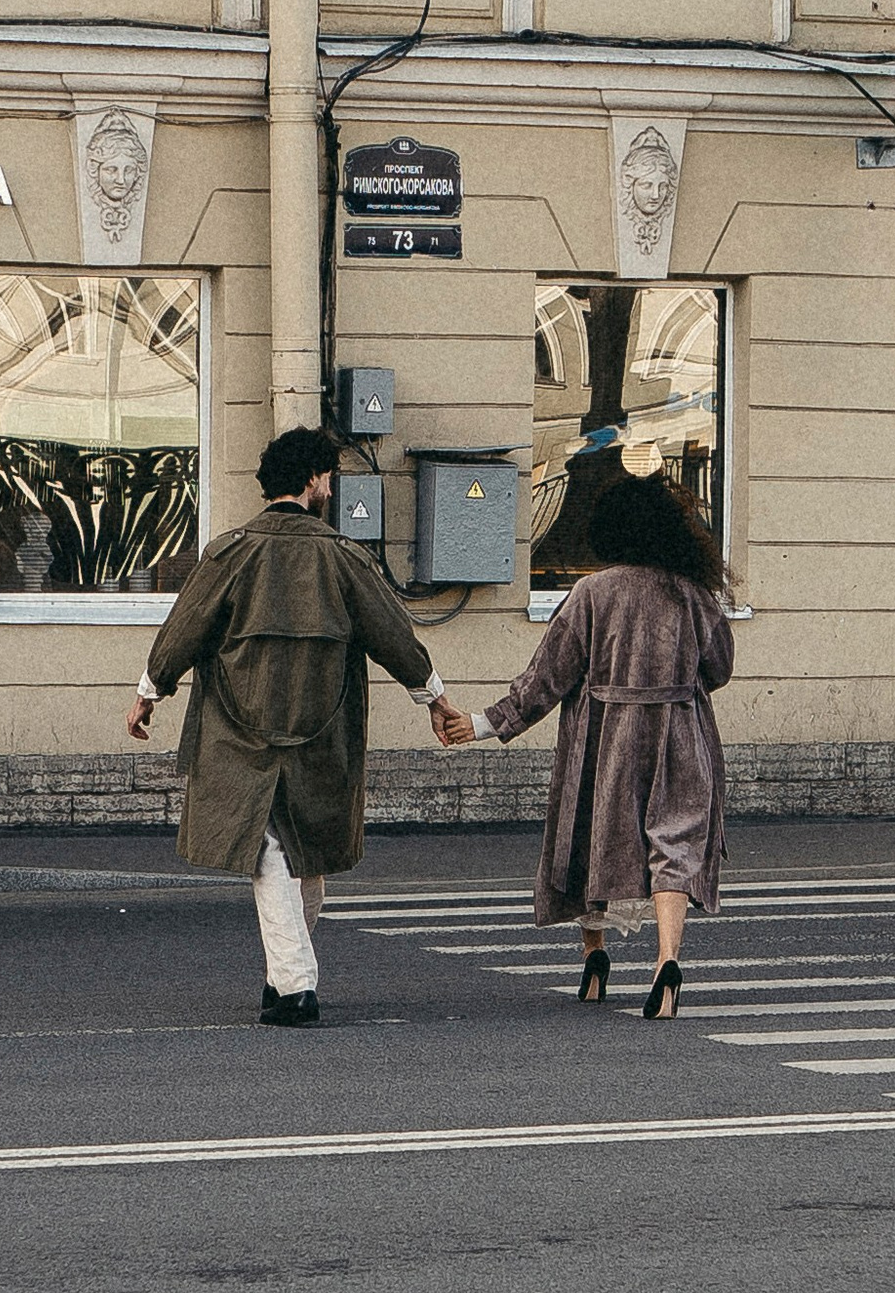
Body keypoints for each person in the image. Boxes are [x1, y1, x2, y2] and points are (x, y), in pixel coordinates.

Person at [126, 423, 470, 1025]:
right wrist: (433, 697)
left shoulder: (229, 552)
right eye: (329, 478)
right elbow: (395, 637)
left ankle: (292, 985)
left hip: (240, 729)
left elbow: (183, 629)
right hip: (324, 727)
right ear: (311, 479)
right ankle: (288, 976)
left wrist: (149, 692)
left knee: (272, 850)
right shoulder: (342, 556)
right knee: (298, 849)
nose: (332, 489)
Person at [461, 462, 731, 1019]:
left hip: (605, 736)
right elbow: (720, 666)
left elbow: (547, 678)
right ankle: (666, 960)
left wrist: (486, 723)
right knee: (673, 844)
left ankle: (594, 960)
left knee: (592, 838)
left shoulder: (591, 592)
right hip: (680, 730)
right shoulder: (691, 593)